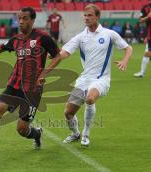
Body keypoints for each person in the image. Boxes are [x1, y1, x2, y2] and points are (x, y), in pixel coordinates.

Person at [0, 7, 61, 157]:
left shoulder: (43, 37)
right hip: (14, 85)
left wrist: (44, 73)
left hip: (32, 90)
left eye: (24, 18)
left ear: (32, 20)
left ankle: (37, 134)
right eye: (19, 18)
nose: (21, 21)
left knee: (22, 130)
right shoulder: (16, 39)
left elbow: (57, 56)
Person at [42, 4, 132, 146]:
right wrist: (51, 60)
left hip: (101, 79)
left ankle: (86, 134)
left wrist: (125, 61)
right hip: (84, 79)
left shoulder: (109, 34)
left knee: (90, 99)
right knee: (68, 113)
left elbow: (128, 48)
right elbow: (63, 54)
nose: (86, 18)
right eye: (85, 15)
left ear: (97, 17)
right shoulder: (80, 37)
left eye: (90, 15)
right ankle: (75, 133)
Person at [134, 0, 151, 78]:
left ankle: (142, 72)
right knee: (147, 53)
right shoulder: (145, 7)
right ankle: (142, 72)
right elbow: (140, 20)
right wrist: (148, 17)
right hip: (150, 35)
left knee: (148, 53)